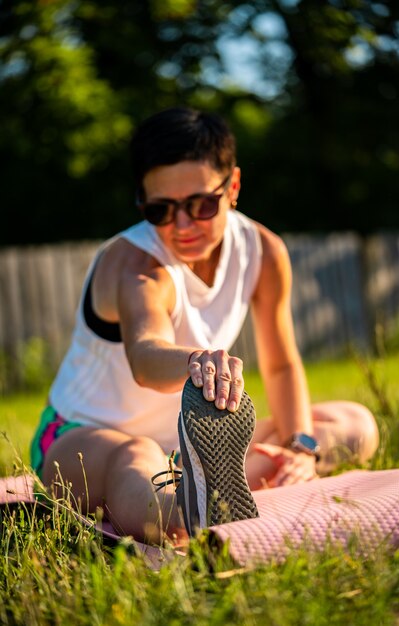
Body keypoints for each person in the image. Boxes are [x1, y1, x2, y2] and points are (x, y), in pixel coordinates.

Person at [30, 107, 379, 543]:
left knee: (354, 423)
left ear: (232, 186)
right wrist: (197, 359)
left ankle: (228, 480)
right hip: (80, 440)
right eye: (161, 209)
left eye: (201, 205)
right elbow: (146, 355)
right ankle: (183, 512)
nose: (181, 225)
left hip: (188, 448)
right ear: (142, 199)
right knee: (135, 455)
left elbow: (282, 366)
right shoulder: (137, 264)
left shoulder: (263, 251)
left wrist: (299, 448)